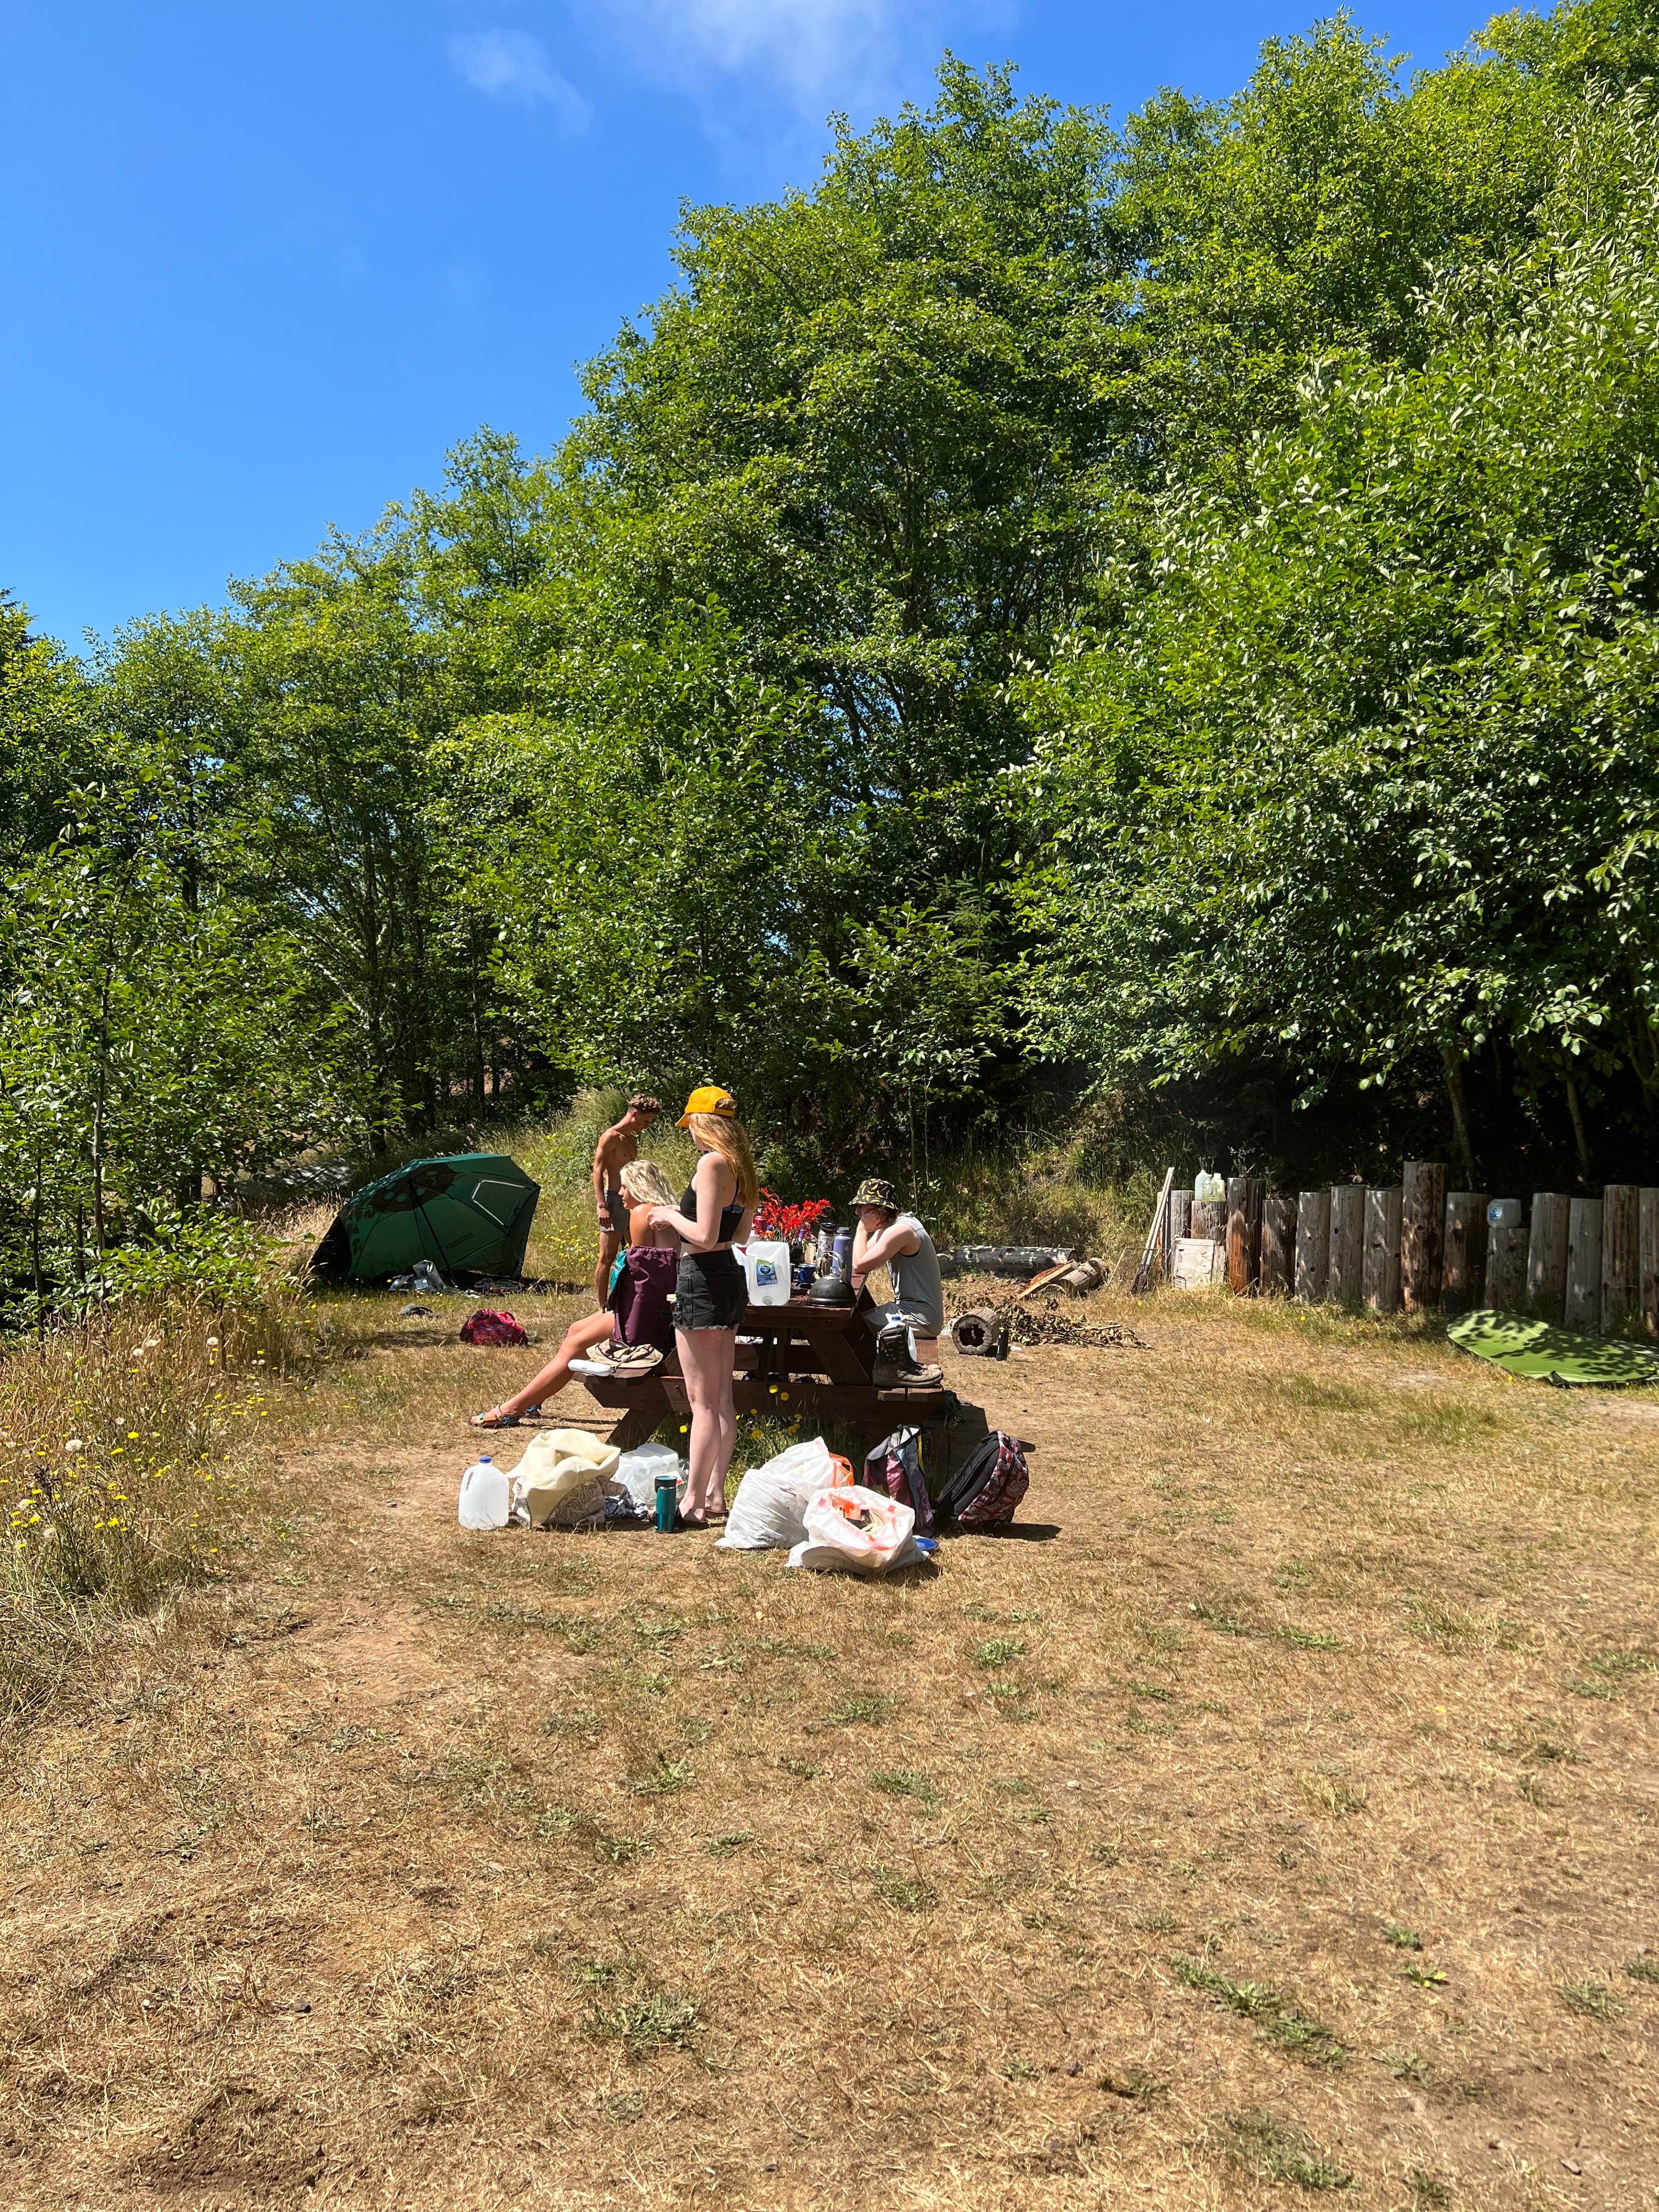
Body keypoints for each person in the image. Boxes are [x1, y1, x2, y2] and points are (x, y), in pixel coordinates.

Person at [471, 1160, 679, 1428]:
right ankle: (535, 1399)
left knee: (573, 1346)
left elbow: (645, 1280)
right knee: (575, 1329)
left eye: (624, 1187)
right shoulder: (665, 1213)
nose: (620, 1194)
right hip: (660, 1306)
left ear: (639, 1187)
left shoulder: (642, 1213)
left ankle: (511, 1409)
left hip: (649, 1313)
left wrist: (626, 1323)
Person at [644, 1086, 757, 1530]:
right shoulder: (742, 1167)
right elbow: (740, 1236)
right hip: (729, 1276)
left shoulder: (710, 1162)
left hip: (702, 1278)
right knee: (722, 1398)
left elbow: (704, 1237)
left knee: (702, 1403)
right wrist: (680, 1212)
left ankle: (691, 1502)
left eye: (690, 1124)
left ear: (703, 1123)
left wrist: (670, 1216)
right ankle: (715, 1494)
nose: (689, 1133)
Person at [848, 1177, 945, 1386]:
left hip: (919, 1316)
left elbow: (859, 1265)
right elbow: (864, 1256)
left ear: (878, 1210)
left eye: (861, 1208)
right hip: (915, 1310)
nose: (857, 1213)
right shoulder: (894, 1226)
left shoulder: (900, 1232)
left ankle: (884, 1377)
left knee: (851, 1327)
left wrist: (862, 1230)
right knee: (856, 1320)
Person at [592, 1095, 661, 1308]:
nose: (647, 1126)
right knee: (607, 1256)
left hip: (633, 1201)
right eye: (645, 1121)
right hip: (614, 1200)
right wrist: (602, 1205)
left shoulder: (631, 1137)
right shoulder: (610, 1136)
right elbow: (597, 1170)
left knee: (638, 1252)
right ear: (634, 1114)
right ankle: (603, 1307)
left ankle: (631, 1301)